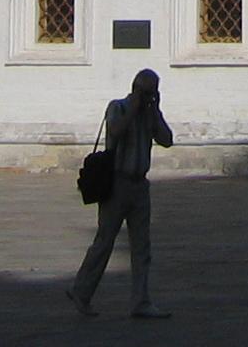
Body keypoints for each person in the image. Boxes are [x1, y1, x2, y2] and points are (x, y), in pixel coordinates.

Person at [70, 68, 172, 319]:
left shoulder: (150, 114)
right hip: (117, 183)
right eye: (144, 92)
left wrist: (155, 111)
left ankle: (141, 301)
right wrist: (135, 107)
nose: (148, 97)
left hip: (140, 185)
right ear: (135, 88)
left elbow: (167, 139)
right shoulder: (118, 107)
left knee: (141, 247)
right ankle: (81, 291)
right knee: (105, 241)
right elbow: (115, 131)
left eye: (152, 93)